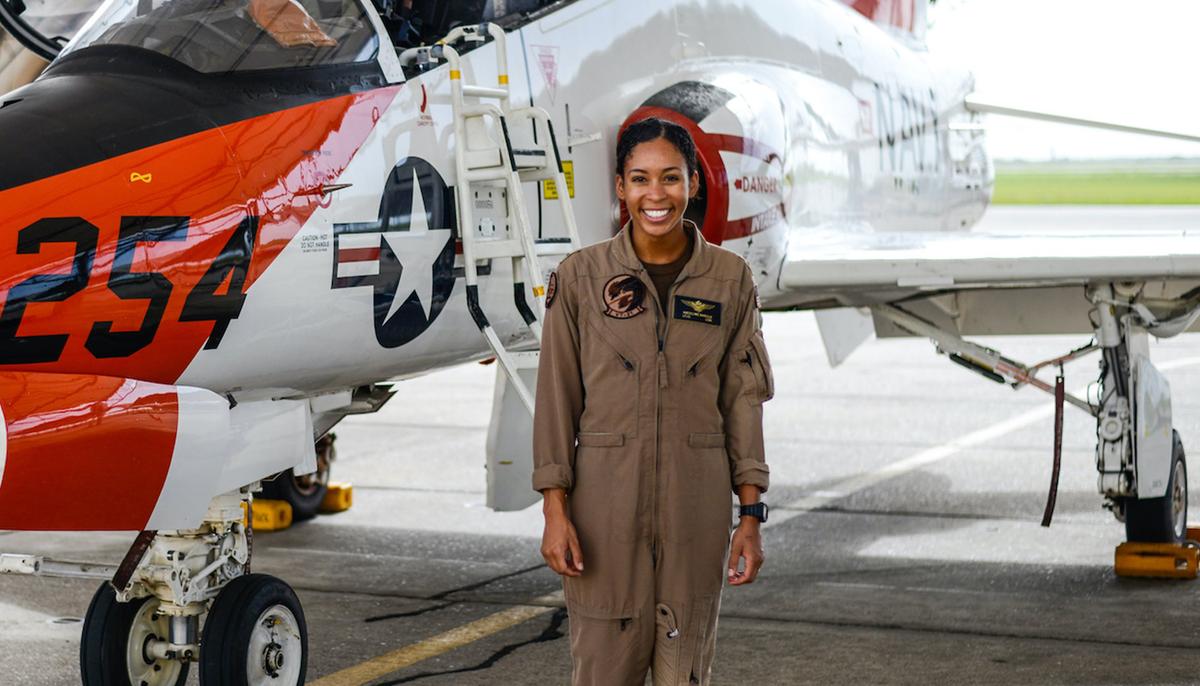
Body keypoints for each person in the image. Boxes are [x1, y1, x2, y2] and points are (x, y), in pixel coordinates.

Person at [532, 117, 774, 685]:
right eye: (640, 179)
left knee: (686, 669)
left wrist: (751, 514)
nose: (655, 195)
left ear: (693, 183)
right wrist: (554, 509)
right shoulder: (580, 278)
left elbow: (744, 401)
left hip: (697, 509)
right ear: (620, 187)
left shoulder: (730, 281)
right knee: (603, 671)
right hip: (603, 514)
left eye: (670, 178)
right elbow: (555, 400)